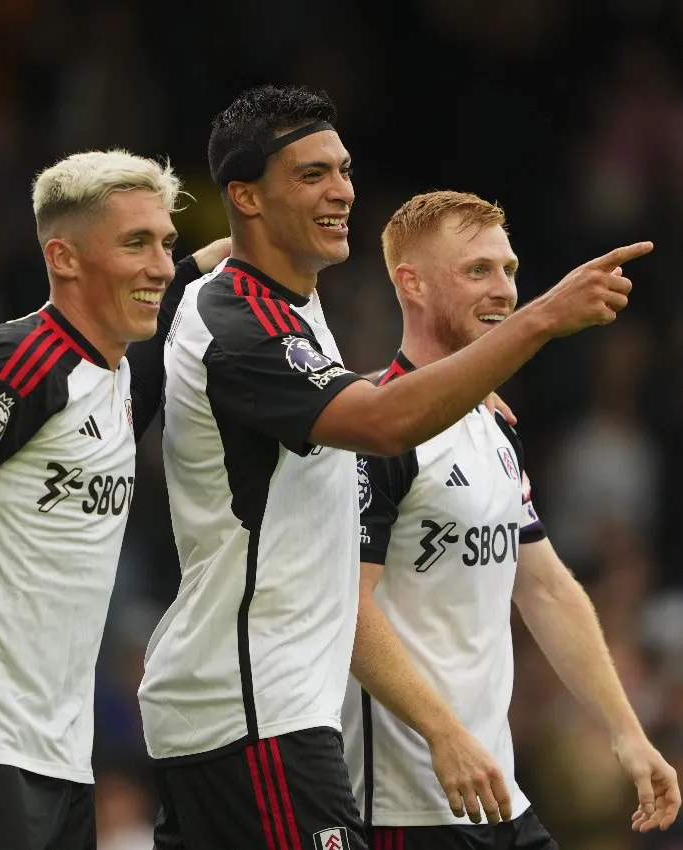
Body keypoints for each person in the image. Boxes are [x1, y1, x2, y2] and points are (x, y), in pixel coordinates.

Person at [137, 82, 652, 850]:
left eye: (344, 170)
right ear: (245, 196)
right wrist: (545, 318)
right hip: (265, 714)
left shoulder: (289, 307)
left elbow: (545, 586)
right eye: (312, 174)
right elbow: (380, 426)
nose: (342, 190)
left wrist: (626, 731)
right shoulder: (248, 326)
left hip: (317, 725)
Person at [0, 147, 230, 850]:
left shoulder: (116, 379)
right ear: (64, 258)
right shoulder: (21, 363)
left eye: (166, 243)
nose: (161, 266)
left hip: (66, 759)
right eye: (135, 243)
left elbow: (177, 291)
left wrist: (250, 242)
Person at [342, 190, 680, 850]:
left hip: (495, 794)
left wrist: (626, 732)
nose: (503, 289)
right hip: (401, 808)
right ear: (411, 284)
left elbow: (547, 588)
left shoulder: (493, 425)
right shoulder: (375, 429)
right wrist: (444, 734)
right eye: (477, 270)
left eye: (509, 270)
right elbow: (346, 608)